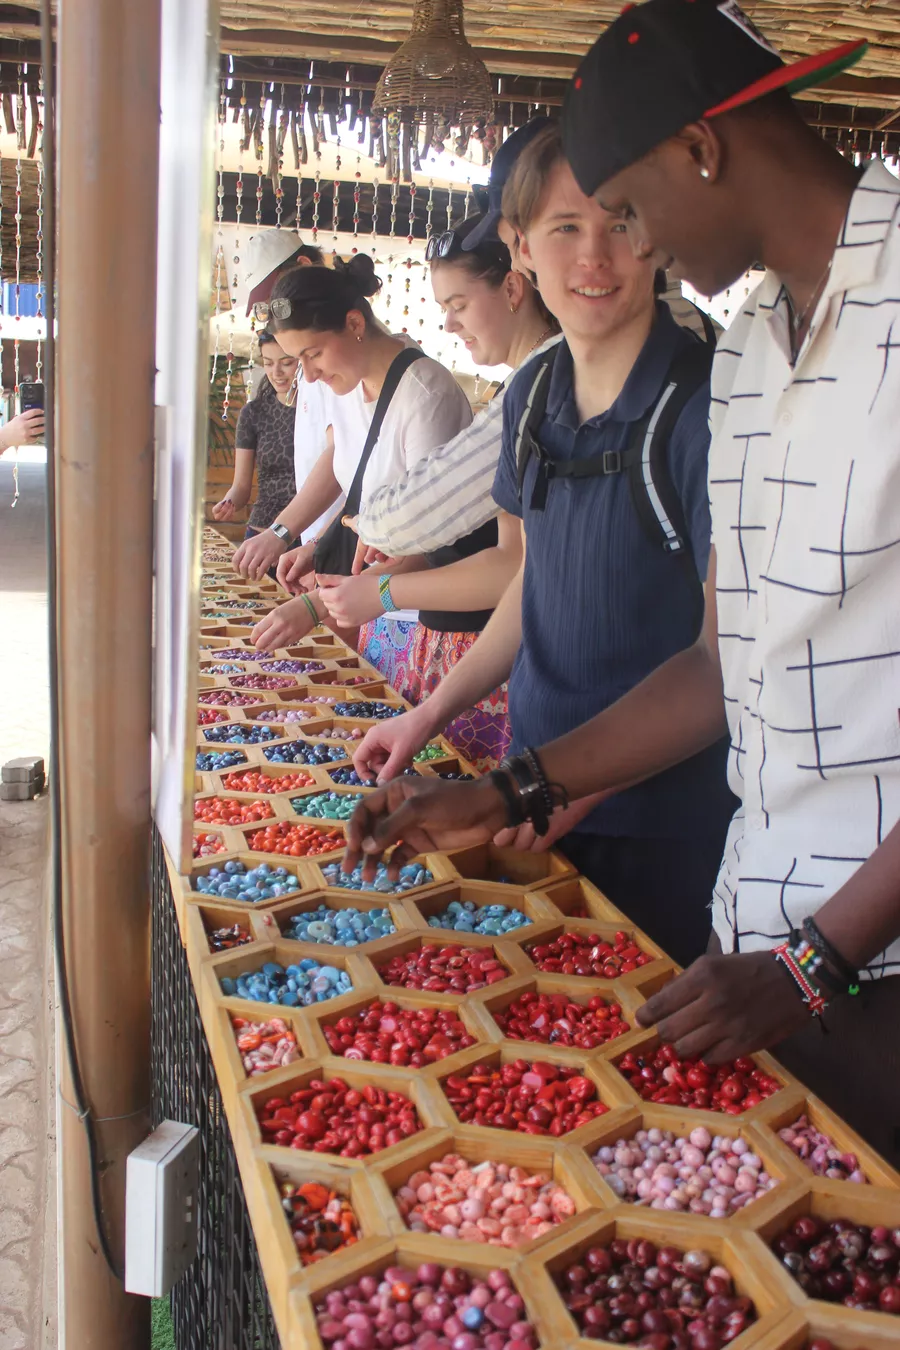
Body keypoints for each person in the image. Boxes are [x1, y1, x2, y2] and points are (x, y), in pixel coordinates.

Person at [344, 1, 900, 1166]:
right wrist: (511, 788)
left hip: (868, 964)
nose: (622, 248)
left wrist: (821, 961)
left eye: (631, 211)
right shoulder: (748, 347)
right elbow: (717, 663)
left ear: (702, 150)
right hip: (754, 935)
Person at [351, 121, 737, 968]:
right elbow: (532, 582)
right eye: (565, 229)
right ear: (520, 247)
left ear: (657, 233)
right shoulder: (530, 395)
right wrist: (429, 713)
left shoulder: (707, 411)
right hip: (532, 794)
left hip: (657, 821)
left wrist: (542, 785)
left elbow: (720, 668)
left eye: (622, 221)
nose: (594, 257)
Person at [317, 213, 560, 769]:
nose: (448, 323)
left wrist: (374, 558)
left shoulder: (540, 381)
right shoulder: (524, 384)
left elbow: (424, 522)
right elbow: (517, 563)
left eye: (458, 304)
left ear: (514, 288)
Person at [249, 255, 473, 652]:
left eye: (313, 354)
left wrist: (316, 605)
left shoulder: (426, 395)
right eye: (298, 359)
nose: (310, 375)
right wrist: (317, 546)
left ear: (354, 324)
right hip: (365, 605)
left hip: (418, 621)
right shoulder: (349, 384)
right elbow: (356, 485)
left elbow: (431, 541)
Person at [230, 233, 335, 579]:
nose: (272, 321)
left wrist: (281, 533)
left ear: (303, 268)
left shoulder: (338, 360)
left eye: (277, 304)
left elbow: (342, 458)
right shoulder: (307, 369)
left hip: (339, 548)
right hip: (314, 544)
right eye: (265, 311)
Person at [212, 330, 298, 536]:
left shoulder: (321, 410)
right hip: (263, 529)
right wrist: (229, 502)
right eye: (268, 363)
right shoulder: (253, 413)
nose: (276, 372)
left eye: (286, 363)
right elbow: (241, 487)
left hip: (310, 532)